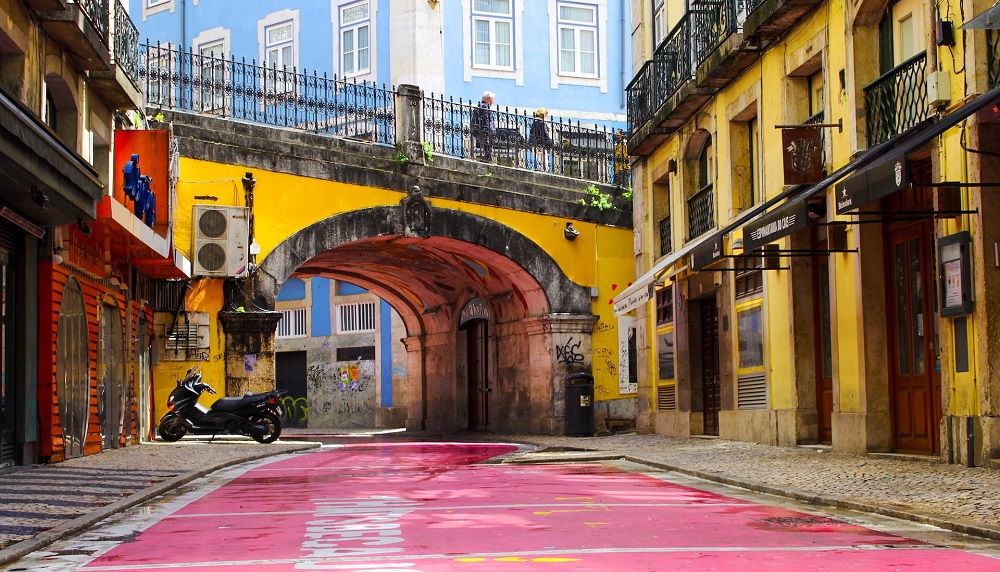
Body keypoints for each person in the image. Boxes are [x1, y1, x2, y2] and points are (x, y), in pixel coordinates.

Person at [470, 91, 496, 162]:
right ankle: (487, 161)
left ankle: (485, 160)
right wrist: (488, 132)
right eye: (492, 99)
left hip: (479, 131)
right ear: (488, 98)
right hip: (484, 132)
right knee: (488, 150)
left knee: (485, 148)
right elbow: (487, 120)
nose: (493, 101)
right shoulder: (485, 107)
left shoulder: (479, 106)